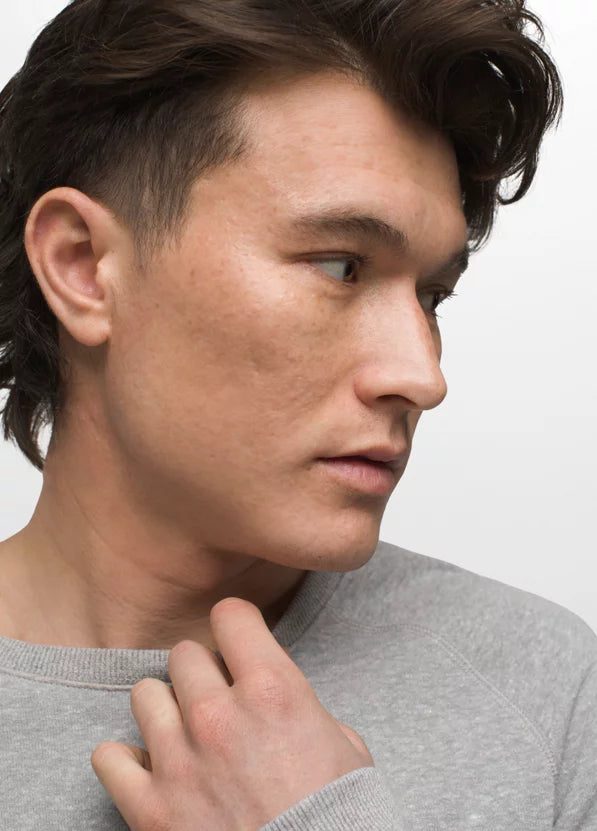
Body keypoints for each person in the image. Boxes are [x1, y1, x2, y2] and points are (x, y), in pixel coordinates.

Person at [0, 0, 594, 829]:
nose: (422, 376)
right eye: (341, 266)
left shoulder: (549, 695)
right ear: (83, 266)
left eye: (431, 296)